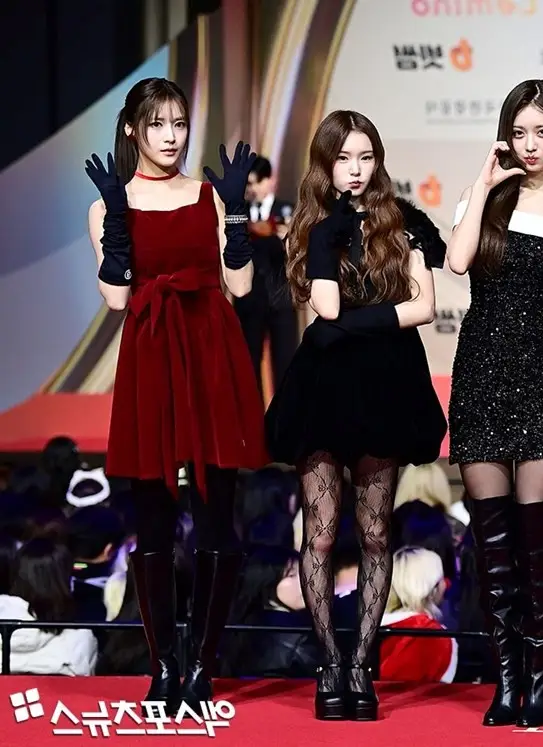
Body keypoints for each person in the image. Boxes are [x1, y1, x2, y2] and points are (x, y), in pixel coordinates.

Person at [84, 77, 267, 713]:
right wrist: (117, 220)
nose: (171, 137)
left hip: (211, 352)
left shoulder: (208, 195)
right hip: (152, 357)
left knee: (217, 515)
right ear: (132, 129)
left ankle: (203, 667)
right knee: (154, 522)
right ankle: (163, 666)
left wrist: (236, 213)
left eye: (179, 123)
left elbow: (240, 287)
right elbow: (116, 297)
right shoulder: (109, 204)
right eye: (157, 124)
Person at [265, 110, 447, 722]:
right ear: (325, 164)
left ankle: (363, 665)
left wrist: (349, 325)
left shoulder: (403, 220)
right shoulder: (313, 226)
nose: (356, 170)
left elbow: (423, 307)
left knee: (375, 533)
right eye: (344, 158)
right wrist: (329, 244)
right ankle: (329, 664)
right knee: (319, 533)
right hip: (324, 388)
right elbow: (324, 303)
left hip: (385, 385)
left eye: (366, 157)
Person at [446, 79, 543, 729]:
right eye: (520, 132)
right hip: (479, 371)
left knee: (538, 541)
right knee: (492, 541)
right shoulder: (486, 197)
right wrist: (483, 185)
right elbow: (457, 262)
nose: (530, 145)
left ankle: (541, 673)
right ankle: (505, 676)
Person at [234, 156, 299, 395]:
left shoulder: (288, 211)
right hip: (248, 299)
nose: (252, 189)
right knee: (247, 366)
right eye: (248, 184)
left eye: (256, 182)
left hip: (281, 299)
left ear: (270, 181)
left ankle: (285, 416)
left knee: (285, 364)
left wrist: (287, 239)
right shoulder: (237, 214)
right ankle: (252, 417)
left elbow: (303, 253)